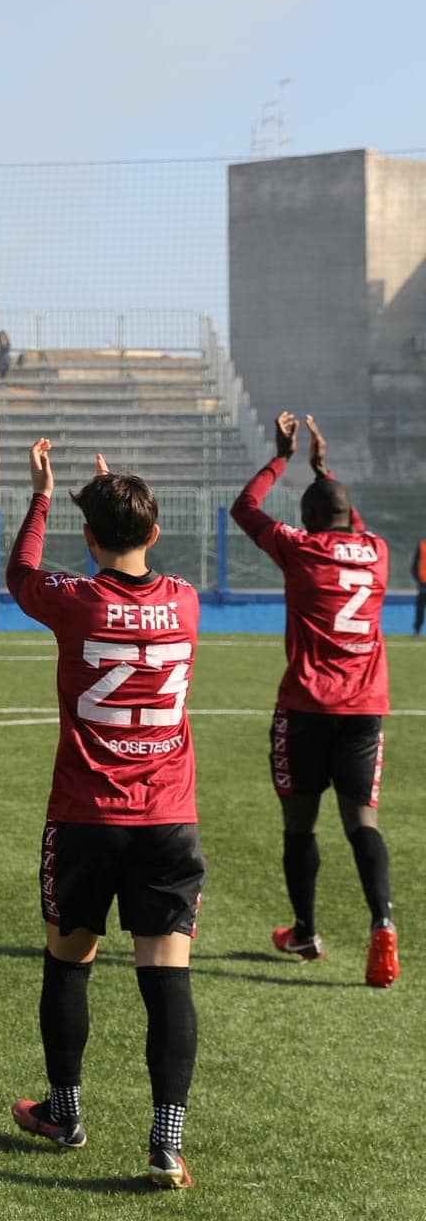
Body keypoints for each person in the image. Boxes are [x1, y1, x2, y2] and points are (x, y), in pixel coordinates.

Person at [6, 440, 202, 1190]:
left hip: (88, 816)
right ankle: (166, 1143)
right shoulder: (183, 600)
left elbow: (21, 574)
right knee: (166, 978)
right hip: (167, 819)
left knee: (69, 961)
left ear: (88, 538)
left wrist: (46, 495)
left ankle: (65, 1111)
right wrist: (108, 499)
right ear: (155, 533)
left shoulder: (77, 600)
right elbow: (129, 560)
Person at [230, 413, 398, 987]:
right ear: (350, 517)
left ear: (306, 520)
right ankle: (383, 925)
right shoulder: (377, 551)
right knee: (363, 822)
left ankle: (304, 929)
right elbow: (352, 524)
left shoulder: (300, 550)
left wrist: (282, 458)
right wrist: (324, 470)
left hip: (305, 706)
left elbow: (245, 509)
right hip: (364, 708)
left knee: (300, 825)